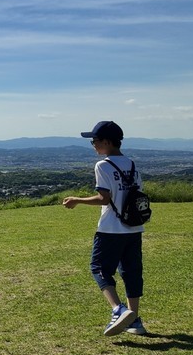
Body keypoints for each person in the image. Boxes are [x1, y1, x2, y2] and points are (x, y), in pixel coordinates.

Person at [63, 121, 147, 337]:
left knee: (99, 268)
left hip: (111, 228)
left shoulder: (103, 165)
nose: (93, 145)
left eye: (95, 141)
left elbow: (104, 198)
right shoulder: (132, 164)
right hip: (134, 228)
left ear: (107, 142)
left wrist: (77, 199)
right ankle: (135, 320)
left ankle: (118, 309)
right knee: (131, 272)